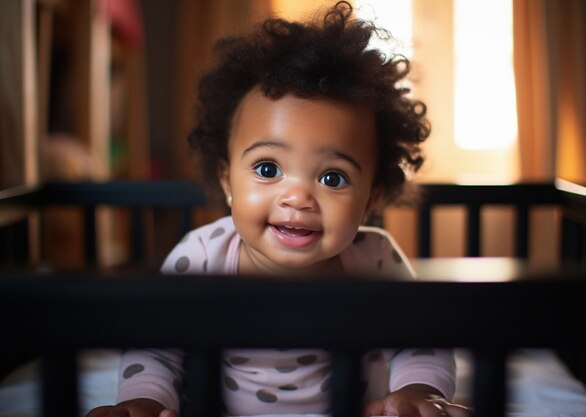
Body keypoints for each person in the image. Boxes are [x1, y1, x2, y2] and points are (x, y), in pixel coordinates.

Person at [87, 2, 471, 416]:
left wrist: (418, 391)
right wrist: (143, 402)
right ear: (225, 178)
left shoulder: (375, 258)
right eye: (268, 168)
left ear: (372, 199)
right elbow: (157, 351)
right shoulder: (202, 256)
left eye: (333, 178)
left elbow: (420, 340)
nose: (298, 197)